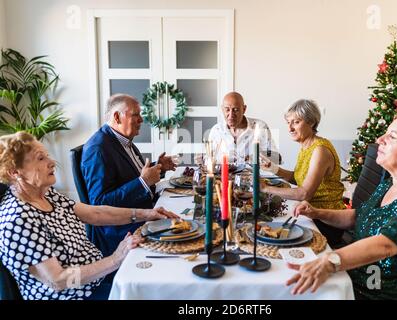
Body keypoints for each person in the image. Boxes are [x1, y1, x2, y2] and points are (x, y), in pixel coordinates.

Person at [286, 113, 397, 300]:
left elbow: (385, 245)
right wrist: (316, 213)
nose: (379, 139)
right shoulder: (389, 183)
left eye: (392, 136)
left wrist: (329, 261)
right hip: (357, 280)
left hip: (383, 295)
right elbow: (359, 216)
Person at [0, 132, 178, 300]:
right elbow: (58, 281)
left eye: (47, 155)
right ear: (15, 173)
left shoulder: (46, 194)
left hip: (97, 279)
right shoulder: (18, 219)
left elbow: (96, 213)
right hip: (75, 295)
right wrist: (115, 259)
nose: (51, 162)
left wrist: (148, 214)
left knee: (161, 276)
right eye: (41, 158)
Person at [81, 94, 177, 258]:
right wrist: (143, 182)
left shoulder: (122, 140)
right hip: (122, 231)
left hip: (144, 211)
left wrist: (158, 167)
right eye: (135, 115)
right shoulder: (98, 149)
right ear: (117, 117)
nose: (141, 120)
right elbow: (100, 204)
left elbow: (130, 177)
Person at [260, 99, 345, 245]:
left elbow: (304, 193)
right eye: (288, 122)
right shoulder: (306, 145)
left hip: (326, 221)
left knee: (272, 234)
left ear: (311, 122)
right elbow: (297, 178)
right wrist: (274, 169)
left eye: (296, 122)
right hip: (308, 211)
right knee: (268, 225)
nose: (290, 128)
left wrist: (265, 188)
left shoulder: (320, 150)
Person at [207, 92, 280, 165]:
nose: (231, 115)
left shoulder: (260, 127)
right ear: (222, 109)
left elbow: (276, 158)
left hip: (255, 175)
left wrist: (255, 158)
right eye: (227, 110)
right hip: (224, 175)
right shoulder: (216, 130)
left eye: (235, 110)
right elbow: (208, 159)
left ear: (244, 109)